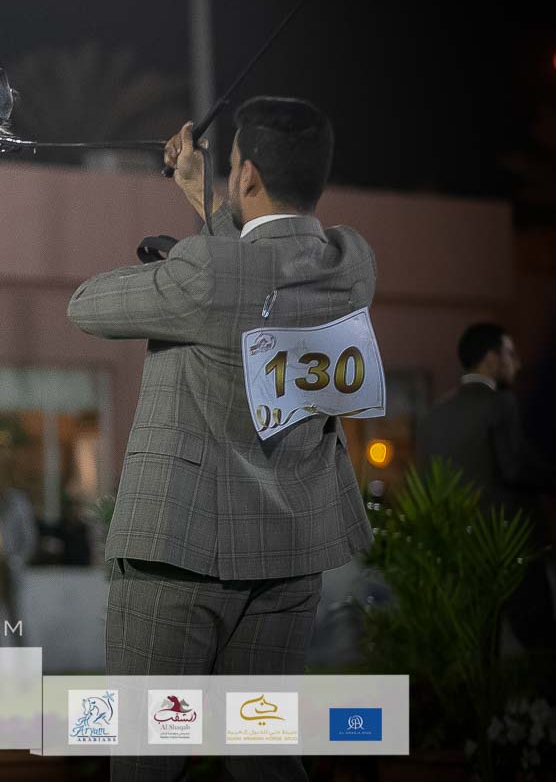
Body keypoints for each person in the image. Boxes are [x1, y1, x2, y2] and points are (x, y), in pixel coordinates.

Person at [68, 98, 376, 782]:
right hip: (289, 558)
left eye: (234, 166)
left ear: (247, 176)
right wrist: (202, 202)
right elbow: (251, 272)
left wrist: (172, 266)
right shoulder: (352, 265)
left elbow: (85, 306)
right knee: (264, 756)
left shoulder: (203, 274)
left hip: (178, 554)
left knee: (146, 762)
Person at [420, 322, 554, 649]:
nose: (517, 363)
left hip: (458, 548)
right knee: (540, 642)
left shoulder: (436, 413)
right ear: (492, 359)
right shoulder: (501, 403)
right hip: (508, 544)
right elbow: (515, 466)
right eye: (511, 354)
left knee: (477, 646)